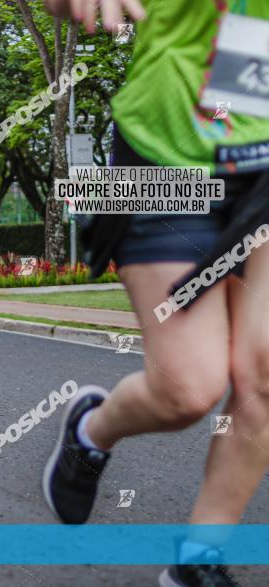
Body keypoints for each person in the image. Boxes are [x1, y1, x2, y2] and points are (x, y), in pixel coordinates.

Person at [40, 1, 269, 586]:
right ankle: (91, 431)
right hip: (166, 161)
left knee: (264, 374)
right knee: (187, 392)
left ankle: (197, 563)